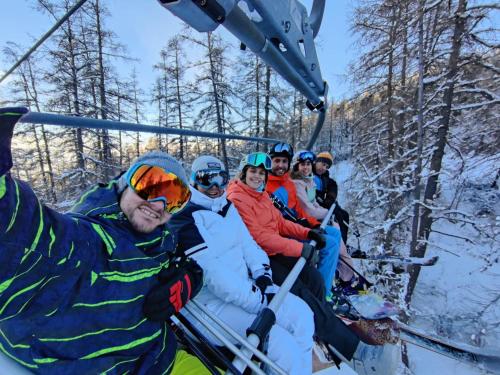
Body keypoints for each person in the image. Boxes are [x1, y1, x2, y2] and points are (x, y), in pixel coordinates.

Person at [0, 107, 207, 374]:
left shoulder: (159, 240)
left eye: (174, 199)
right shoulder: (86, 241)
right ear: (124, 184)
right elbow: (26, 237)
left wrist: (191, 277)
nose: (158, 204)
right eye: (150, 186)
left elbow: (175, 264)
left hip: (161, 357)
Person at [226, 151, 400, 374]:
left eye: (261, 173)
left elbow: (280, 224)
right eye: (253, 172)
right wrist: (300, 248)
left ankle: (324, 328)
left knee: (314, 278)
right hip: (259, 259)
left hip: (273, 250)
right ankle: (356, 353)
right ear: (243, 173)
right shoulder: (238, 197)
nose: (258, 176)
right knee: (302, 295)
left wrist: (308, 234)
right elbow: (258, 237)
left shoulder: (260, 194)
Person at [169, 155, 315, 375]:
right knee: (281, 344)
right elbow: (212, 274)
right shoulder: (184, 218)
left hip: (246, 289)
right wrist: (259, 300)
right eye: (207, 179)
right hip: (210, 307)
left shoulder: (226, 206)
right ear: (194, 180)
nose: (215, 186)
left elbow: (248, 245)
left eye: (221, 178)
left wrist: (262, 275)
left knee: (303, 315)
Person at [265, 143, 346, 296]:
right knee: (330, 245)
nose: (281, 165)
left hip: (294, 226)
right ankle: (323, 294)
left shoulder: (287, 182)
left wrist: (313, 224)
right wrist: (304, 229)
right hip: (284, 232)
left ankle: (327, 282)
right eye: (277, 161)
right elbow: (276, 219)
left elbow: (299, 209)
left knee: (334, 234)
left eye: (284, 162)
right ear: (271, 162)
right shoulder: (268, 185)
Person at [313, 151, 350, 245]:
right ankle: (340, 244)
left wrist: (330, 197)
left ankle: (343, 243)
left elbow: (332, 185)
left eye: (327, 167)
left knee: (344, 214)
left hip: (323, 202)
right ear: (317, 161)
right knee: (337, 214)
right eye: (323, 164)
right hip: (314, 201)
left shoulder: (324, 177)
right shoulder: (309, 171)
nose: (324, 168)